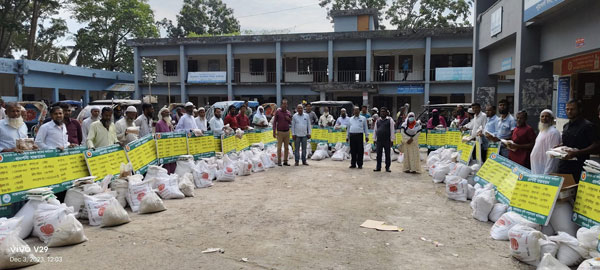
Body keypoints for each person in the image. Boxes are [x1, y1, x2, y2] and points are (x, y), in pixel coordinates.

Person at [558, 100, 600, 181]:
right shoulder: (566, 126)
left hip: (579, 166)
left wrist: (578, 153)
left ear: (579, 109)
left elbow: (596, 145)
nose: (569, 112)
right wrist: (559, 147)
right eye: (567, 109)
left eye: (572, 109)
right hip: (564, 165)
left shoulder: (588, 126)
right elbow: (568, 142)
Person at [530, 109, 561, 174]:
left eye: (547, 116)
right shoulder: (542, 130)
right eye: (542, 116)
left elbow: (552, 154)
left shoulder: (553, 132)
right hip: (538, 166)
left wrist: (548, 173)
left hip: (545, 168)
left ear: (551, 119)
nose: (544, 118)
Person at [372, 107, 395, 172]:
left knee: (387, 154)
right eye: (381, 111)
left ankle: (387, 167)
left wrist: (392, 139)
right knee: (378, 154)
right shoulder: (378, 120)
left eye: (384, 111)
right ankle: (378, 167)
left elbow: (392, 130)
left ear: (386, 113)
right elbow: (375, 130)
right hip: (379, 140)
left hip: (387, 140)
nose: (382, 113)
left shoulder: (390, 120)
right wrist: (374, 139)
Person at [155, 107, 176, 173]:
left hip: (170, 147)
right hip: (163, 148)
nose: (167, 114)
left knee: (172, 164)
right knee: (165, 166)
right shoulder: (159, 123)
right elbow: (157, 137)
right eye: (166, 112)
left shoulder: (168, 123)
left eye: (168, 113)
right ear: (162, 114)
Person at [273, 99, 292, 166]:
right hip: (280, 132)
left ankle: (285, 161)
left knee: (286, 147)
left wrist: (288, 119)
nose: (285, 105)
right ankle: (279, 161)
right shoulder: (278, 112)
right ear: (281, 104)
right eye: (283, 104)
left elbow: (290, 122)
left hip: (287, 132)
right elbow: (274, 122)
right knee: (279, 147)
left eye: (286, 104)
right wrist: (274, 131)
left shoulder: (288, 112)